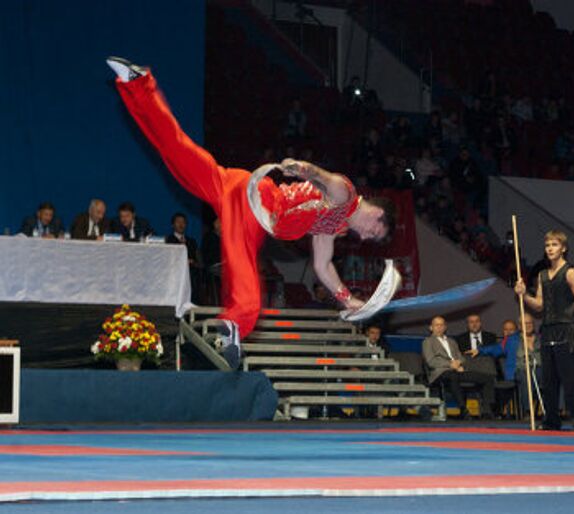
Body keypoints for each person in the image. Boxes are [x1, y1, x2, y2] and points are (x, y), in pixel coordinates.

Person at [107, 57, 394, 368]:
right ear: (377, 213)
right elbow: (323, 177)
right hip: (255, 204)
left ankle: (138, 83)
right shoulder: (345, 194)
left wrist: (348, 299)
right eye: (374, 230)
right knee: (249, 296)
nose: (366, 235)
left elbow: (323, 266)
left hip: (236, 186)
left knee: (175, 150)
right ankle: (233, 327)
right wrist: (302, 168)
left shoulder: (330, 226)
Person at [514, 230, 574, 430]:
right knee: (549, 381)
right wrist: (524, 294)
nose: (550, 249)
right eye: (548, 246)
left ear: (563, 248)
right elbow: (538, 305)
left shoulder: (571, 272)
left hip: (567, 330)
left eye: (554, 245)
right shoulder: (542, 275)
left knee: (573, 379)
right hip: (547, 330)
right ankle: (551, 421)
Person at [422, 316, 495, 419]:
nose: (439, 327)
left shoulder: (452, 341)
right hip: (440, 373)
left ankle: (487, 411)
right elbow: (431, 361)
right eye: (436, 325)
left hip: (457, 370)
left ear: (445, 327)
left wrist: (458, 363)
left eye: (441, 325)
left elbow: (462, 358)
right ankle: (463, 409)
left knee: (487, 378)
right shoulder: (428, 342)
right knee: (453, 376)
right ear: (431, 328)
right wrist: (450, 364)